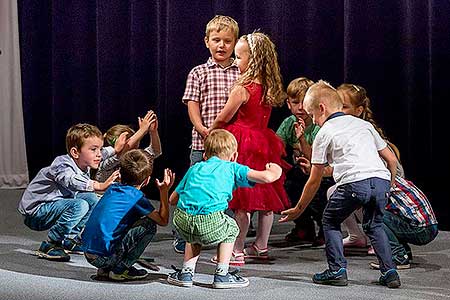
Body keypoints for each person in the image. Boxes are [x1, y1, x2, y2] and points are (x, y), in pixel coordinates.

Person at [280, 80, 401, 288]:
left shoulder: (325, 132)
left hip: (355, 184)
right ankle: (390, 272)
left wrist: (299, 209)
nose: (315, 122)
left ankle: (336, 270)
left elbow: (314, 178)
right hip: (380, 181)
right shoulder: (364, 125)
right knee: (375, 225)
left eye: (313, 116)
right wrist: (388, 186)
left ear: (322, 108)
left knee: (330, 220)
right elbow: (391, 160)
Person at [210, 32, 289, 265]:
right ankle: (261, 246)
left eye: (239, 58)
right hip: (264, 142)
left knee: (241, 202)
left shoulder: (242, 87)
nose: (235, 62)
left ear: (252, 60)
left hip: (243, 142)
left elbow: (224, 117)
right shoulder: (269, 86)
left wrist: (210, 131)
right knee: (265, 198)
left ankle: (236, 250)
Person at [167, 129, 282, 288]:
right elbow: (267, 177)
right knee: (231, 227)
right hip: (208, 223)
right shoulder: (232, 168)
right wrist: (275, 169)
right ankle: (222, 275)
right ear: (234, 156)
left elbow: (172, 200)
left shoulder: (195, 168)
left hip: (181, 223)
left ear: (205, 155)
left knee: (194, 230)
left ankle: (186, 273)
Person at [177, 15, 240, 254]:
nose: (221, 45)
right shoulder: (199, 72)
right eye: (216, 40)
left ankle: (227, 231)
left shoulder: (240, 72)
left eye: (227, 41)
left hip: (230, 144)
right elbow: (192, 102)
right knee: (195, 187)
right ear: (207, 41)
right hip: (201, 142)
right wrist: (202, 128)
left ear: (234, 43)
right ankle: (184, 234)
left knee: (227, 187)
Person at [18, 123, 127, 262]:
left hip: (56, 204)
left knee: (92, 199)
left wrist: (115, 149)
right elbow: (71, 180)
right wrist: (99, 185)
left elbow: (103, 153)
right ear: (75, 152)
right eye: (94, 149)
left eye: (100, 148)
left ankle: (71, 240)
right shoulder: (61, 164)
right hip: (35, 212)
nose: (99, 154)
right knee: (80, 205)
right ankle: (51, 244)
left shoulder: (84, 161)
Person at [82, 149, 175, 281]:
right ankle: (120, 269)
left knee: (126, 220)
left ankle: (104, 270)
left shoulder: (112, 188)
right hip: (103, 258)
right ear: (147, 180)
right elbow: (163, 221)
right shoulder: (136, 197)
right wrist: (164, 191)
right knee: (149, 224)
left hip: (88, 253)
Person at [336, 84, 405, 253]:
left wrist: (390, 184)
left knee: (359, 190)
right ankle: (356, 236)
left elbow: (391, 161)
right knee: (336, 191)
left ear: (358, 110)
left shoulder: (363, 130)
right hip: (368, 180)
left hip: (385, 181)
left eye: (344, 107)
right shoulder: (339, 130)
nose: (338, 111)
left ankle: (376, 237)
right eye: (337, 106)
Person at [276, 77, 333, 247]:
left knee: (319, 196)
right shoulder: (288, 123)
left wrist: (301, 140)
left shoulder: (319, 126)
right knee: (288, 186)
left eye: (304, 102)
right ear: (288, 104)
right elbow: (277, 146)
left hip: (320, 173)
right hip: (299, 173)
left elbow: (316, 158)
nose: (300, 108)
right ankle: (304, 227)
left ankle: (325, 229)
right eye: (295, 102)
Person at [369, 176, 438, 270]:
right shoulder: (390, 177)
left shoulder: (380, 182)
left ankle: (399, 257)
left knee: (375, 215)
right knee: (384, 213)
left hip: (423, 230)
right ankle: (405, 253)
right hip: (429, 226)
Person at [94, 110, 162, 183]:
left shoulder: (132, 157)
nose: (138, 139)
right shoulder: (104, 164)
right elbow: (122, 152)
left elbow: (155, 151)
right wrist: (142, 130)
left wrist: (153, 131)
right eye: (134, 138)